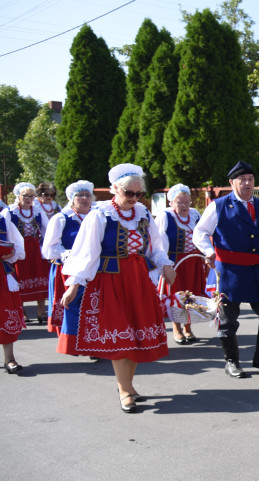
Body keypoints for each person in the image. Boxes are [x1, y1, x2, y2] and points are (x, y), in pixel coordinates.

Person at [58, 164, 175, 413]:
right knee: (121, 335)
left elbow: (155, 246)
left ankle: (128, 386)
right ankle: (124, 390)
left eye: (138, 194)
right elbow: (86, 253)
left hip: (138, 280)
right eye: (129, 193)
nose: (134, 199)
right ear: (114, 190)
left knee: (135, 335)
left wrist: (165, 264)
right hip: (110, 281)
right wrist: (74, 285)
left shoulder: (143, 214)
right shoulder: (100, 215)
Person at [193, 161, 259, 378]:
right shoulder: (219, 205)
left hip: (257, 270)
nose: (247, 183)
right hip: (230, 271)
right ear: (232, 183)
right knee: (228, 319)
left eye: (251, 179)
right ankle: (231, 362)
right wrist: (209, 251)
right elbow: (199, 233)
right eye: (242, 180)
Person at [153, 184, 205, 345]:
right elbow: (159, 244)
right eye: (179, 202)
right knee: (176, 295)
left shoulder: (195, 215)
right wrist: (164, 265)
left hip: (193, 262)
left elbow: (203, 235)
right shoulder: (165, 217)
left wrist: (204, 255)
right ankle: (176, 329)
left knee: (192, 295)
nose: (184, 206)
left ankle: (188, 327)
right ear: (171, 203)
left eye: (187, 202)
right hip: (175, 263)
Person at [41, 180, 93, 337]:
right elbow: (49, 248)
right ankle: (70, 340)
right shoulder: (61, 218)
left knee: (92, 306)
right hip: (66, 271)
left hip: (92, 270)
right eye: (80, 195)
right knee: (69, 305)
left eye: (87, 195)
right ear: (72, 199)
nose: (84, 198)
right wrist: (66, 254)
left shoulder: (98, 216)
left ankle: (91, 341)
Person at [3, 182, 49, 324]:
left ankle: (41, 312)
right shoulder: (10, 212)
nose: (29, 198)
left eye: (31, 196)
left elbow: (47, 230)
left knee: (40, 278)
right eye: (26, 196)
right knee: (20, 279)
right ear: (18, 197)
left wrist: (46, 249)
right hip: (20, 251)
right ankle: (22, 312)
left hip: (35, 249)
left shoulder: (38, 211)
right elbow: (5, 231)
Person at [0, 209, 26, 373]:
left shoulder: (3, 220)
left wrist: (10, 254)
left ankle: (9, 359)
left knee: (4, 313)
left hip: (2, 273)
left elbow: (17, 244)